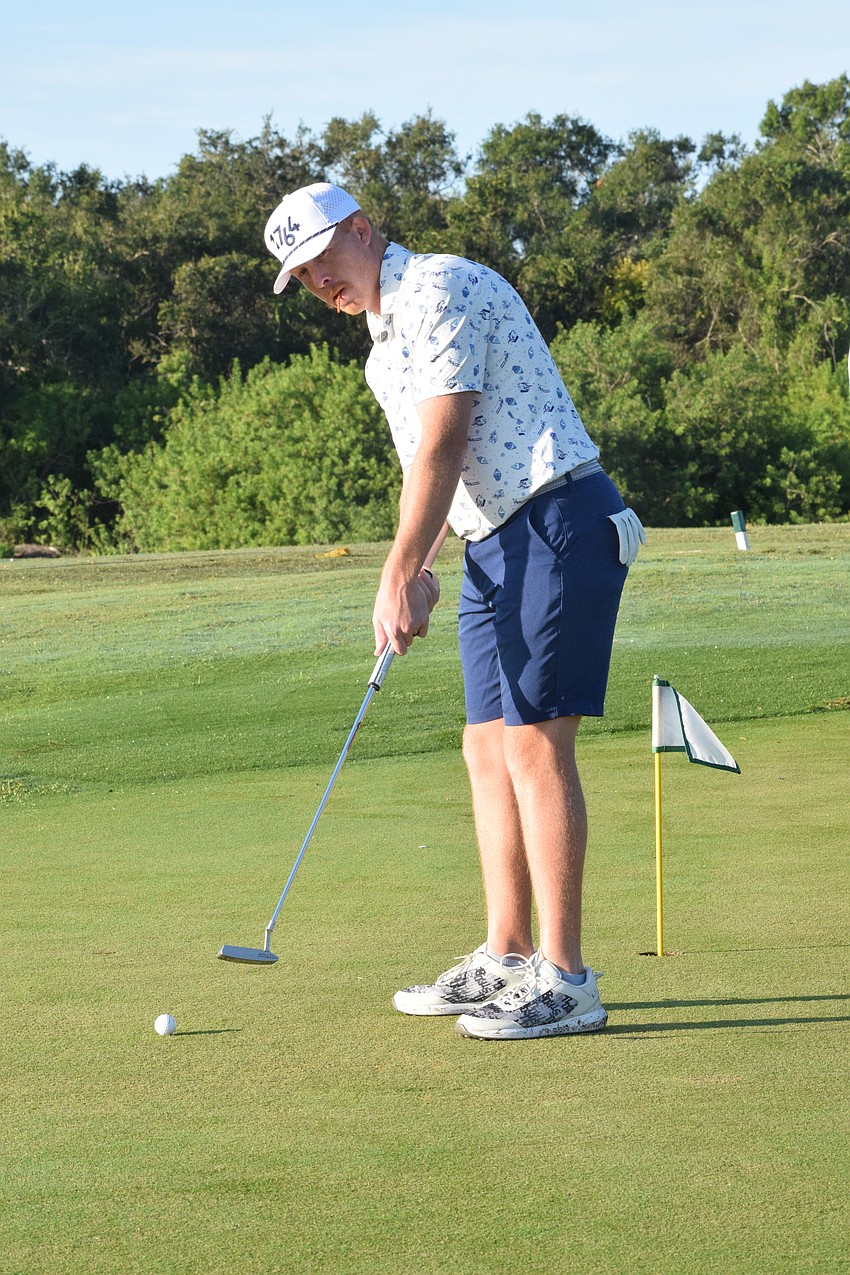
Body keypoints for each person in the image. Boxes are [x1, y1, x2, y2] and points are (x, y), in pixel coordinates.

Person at [263, 182, 644, 1041]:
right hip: (492, 544)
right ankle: (506, 955)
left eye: (323, 258)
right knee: (484, 746)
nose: (320, 282)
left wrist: (395, 570)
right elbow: (426, 477)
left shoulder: (438, 287)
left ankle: (569, 976)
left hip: (559, 518)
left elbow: (446, 440)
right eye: (304, 275)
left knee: (535, 741)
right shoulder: (377, 350)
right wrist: (424, 564)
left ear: (361, 230)